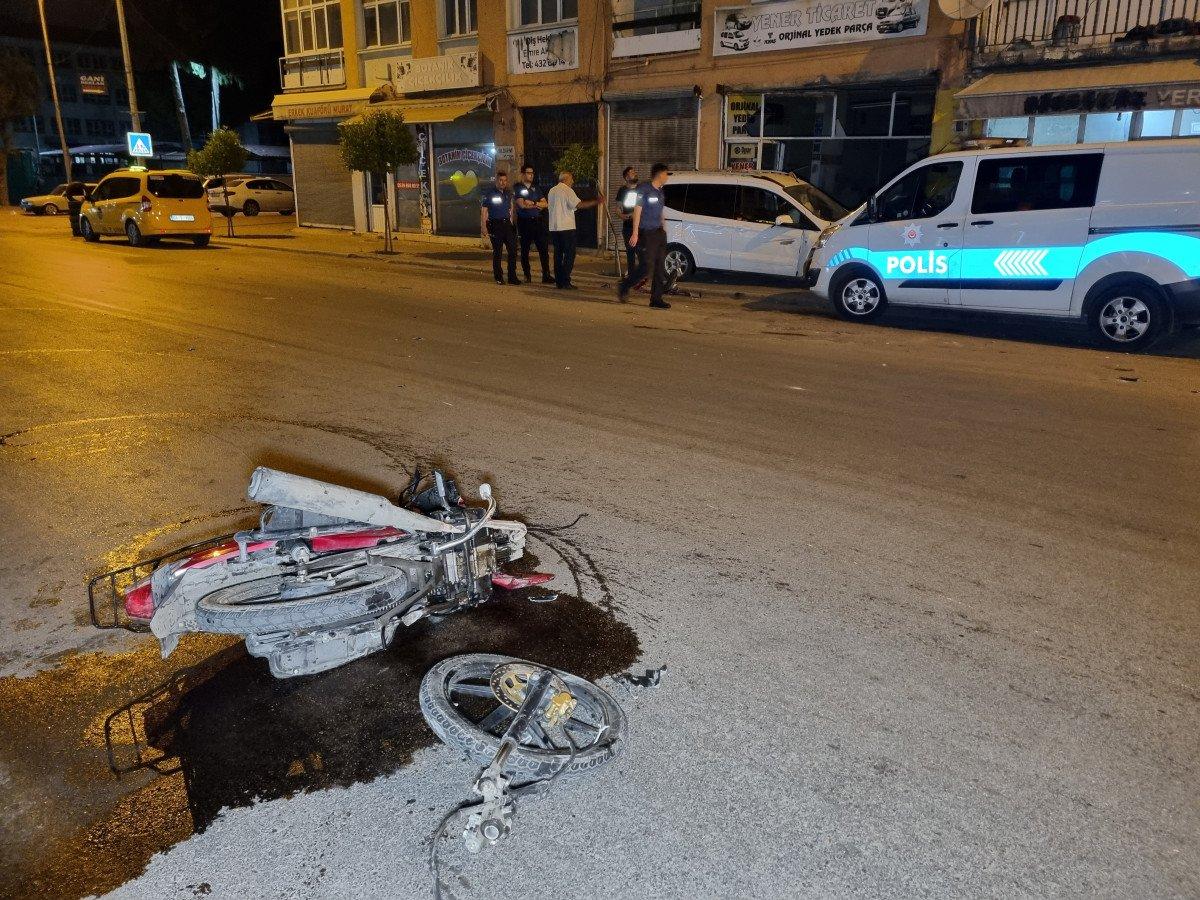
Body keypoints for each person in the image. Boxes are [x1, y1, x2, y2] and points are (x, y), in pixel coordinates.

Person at [619, 162, 671, 309]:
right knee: (646, 267)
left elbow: (660, 211)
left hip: (659, 233)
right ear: (659, 174)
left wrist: (663, 227)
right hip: (646, 233)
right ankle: (625, 285)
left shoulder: (660, 191)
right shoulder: (644, 189)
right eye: (666, 174)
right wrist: (635, 233)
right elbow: (637, 210)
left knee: (659, 267)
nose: (667, 177)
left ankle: (656, 299)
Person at [546, 171, 604, 290]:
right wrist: (596, 202)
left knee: (558, 255)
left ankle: (559, 281)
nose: (572, 181)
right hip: (567, 227)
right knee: (569, 255)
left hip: (554, 227)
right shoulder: (568, 190)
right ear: (566, 179)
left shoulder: (552, 190)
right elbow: (579, 205)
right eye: (571, 179)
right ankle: (566, 280)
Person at [515, 164, 553, 284]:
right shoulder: (519, 188)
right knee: (525, 250)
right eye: (528, 173)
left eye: (532, 173)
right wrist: (536, 205)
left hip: (538, 221)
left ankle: (546, 275)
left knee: (543, 249)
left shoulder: (536, 188)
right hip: (525, 222)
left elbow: (545, 204)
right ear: (523, 174)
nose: (531, 175)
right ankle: (527, 275)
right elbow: (522, 205)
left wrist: (533, 203)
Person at [480, 171, 520, 285]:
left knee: (513, 250)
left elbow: (510, 208)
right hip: (495, 225)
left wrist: (511, 222)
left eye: (505, 180)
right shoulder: (490, 193)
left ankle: (512, 276)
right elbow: (484, 210)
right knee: (498, 252)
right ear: (496, 181)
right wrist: (484, 227)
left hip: (506, 224)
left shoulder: (508, 193)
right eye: (501, 180)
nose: (503, 182)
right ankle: (498, 277)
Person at [615, 166, 641, 279]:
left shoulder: (641, 189)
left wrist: (634, 215)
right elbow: (618, 208)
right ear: (626, 177)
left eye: (634, 171)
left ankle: (642, 276)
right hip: (628, 227)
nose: (634, 173)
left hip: (641, 226)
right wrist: (621, 215)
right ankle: (631, 276)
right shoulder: (622, 190)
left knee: (641, 252)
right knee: (630, 253)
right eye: (631, 172)